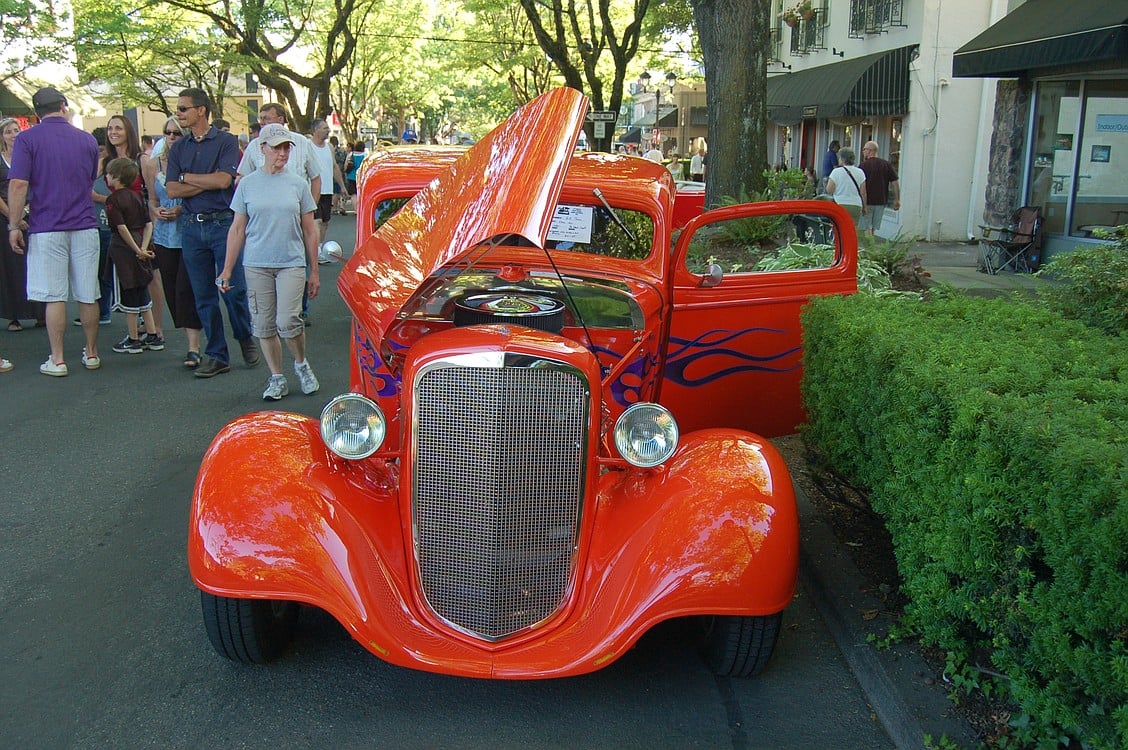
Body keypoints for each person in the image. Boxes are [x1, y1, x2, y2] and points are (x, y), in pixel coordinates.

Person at [218, 123, 320, 401]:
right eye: (277, 147)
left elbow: (310, 230)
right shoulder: (248, 185)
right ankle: (277, 376)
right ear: (262, 149)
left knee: (288, 321)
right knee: (263, 324)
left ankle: (301, 363)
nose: (283, 153)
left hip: (291, 261)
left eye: (287, 147)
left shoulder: (298, 184)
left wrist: (315, 271)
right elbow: (237, 229)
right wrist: (227, 270)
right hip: (257, 263)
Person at [7, 87, 102, 376]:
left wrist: (13, 224)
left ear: (36, 112)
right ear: (63, 105)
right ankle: (92, 353)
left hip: (46, 225)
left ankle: (58, 358)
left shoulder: (27, 138)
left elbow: (19, 184)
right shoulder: (86, 139)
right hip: (85, 222)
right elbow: (90, 178)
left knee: (54, 295)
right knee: (88, 292)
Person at [165, 86, 259, 378]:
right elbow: (171, 188)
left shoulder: (226, 141)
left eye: (183, 109)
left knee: (233, 289)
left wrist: (188, 179)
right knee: (203, 294)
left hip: (222, 224)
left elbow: (223, 181)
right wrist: (201, 182)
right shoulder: (179, 147)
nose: (179, 114)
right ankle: (217, 354)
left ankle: (244, 336)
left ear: (201, 110)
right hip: (192, 226)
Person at [144, 117, 203, 368]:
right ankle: (188, 336)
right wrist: (156, 212)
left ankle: (194, 347)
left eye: (176, 133)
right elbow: (151, 199)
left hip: (189, 232)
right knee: (171, 290)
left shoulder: (193, 163)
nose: (171, 137)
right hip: (164, 236)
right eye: (167, 133)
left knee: (186, 288)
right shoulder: (153, 164)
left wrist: (180, 209)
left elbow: (202, 194)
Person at [103, 114, 165, 343]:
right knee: (130, 279)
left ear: (128, 130)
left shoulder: (142, 160)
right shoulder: (106, 161)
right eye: (110, 128)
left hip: (142, 227)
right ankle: (141, 326)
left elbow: (151, 196)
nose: (113, 132)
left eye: (118, 128)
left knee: (151, 277)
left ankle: (156, 328)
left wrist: (152, 228)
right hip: (120, 229)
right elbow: (107, 195)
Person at [103, 157, 159, 354]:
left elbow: (121, 228)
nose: (106, 177)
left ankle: (133, 337)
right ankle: (152, 334)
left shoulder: (113, 200)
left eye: (108, 174)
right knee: (142, 286)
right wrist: (143, 247)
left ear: (116, 177)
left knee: (128, 290)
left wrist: (136, 250)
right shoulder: (137, 197)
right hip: (139, 241)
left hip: (123, 249)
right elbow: (148, 223)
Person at [0, 117, 45, 331]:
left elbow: (36, 184)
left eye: (16, 130)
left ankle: (40, 313)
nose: (13, 134)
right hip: (5, 220)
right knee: (10, 268)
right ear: (2, 136)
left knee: (34, 264)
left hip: (32, 216)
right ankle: (13, 316)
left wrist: (25, 212)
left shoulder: (30, 156)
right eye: (8, 131)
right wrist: (13, 218)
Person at [308, 118, 345, 261]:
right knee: (316, 221)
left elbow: (335, 167)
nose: (328, 130)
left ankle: (319, 249)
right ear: (316, 130)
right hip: (313, 190)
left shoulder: (329, 147)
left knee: (325, 223)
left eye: (328, 128)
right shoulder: (308, 145)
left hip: (328, 190)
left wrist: (342, 186)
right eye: (325, 128)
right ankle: (315, 252)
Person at [859, 141, 900, 235]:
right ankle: (871, 246)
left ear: (869, 151)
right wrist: (897, 199)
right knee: (873, 227)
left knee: (866, 227)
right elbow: (895, 182)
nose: (863, 152)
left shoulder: (863, 166)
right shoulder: (886, 164)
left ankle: (868, 248)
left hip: (867, 201)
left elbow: (860, 184)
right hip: (881, 201)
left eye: (864, 149)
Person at [826, 146, 867, 228]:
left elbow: (829, 190)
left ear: (842, 159)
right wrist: (864, 207)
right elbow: (863, 192)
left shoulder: (836, 172)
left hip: (840, 204)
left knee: (839, 229)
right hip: (856, 205)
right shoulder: (860, 172)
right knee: (852, 230)